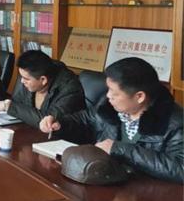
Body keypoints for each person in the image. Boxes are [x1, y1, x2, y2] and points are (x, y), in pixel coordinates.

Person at [40, 57, 183, 183]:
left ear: (139, 96)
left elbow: (180, 168)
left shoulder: (174, 123)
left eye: (114, 93)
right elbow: (85, 119)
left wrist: (119, 149)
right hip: (106, 183)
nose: (108, 96)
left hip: (150, 196)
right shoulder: (109, 107)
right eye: (108, 89)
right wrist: (60, 124)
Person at [0, 50, 85, 128]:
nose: (22, 81)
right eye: (21, 77)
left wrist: (7, 105)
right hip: (30, 135)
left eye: (26, 79)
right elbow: (16, 104)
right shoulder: (30, 78)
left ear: (43, 80)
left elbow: (48, 121)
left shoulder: (69, 89)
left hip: (62, 144)